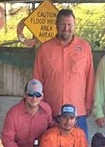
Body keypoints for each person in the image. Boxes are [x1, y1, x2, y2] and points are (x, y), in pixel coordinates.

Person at [33, 8, 94, 139]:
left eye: (70, 24)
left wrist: (89, 103)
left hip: (78, 113)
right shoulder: (44, 49)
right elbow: (37, 79)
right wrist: (40, 105)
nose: (66, 28)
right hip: (52, 111)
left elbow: (90, 77)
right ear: (56, 25)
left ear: (74, 26)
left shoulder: (84, 47)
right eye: (62, 24)